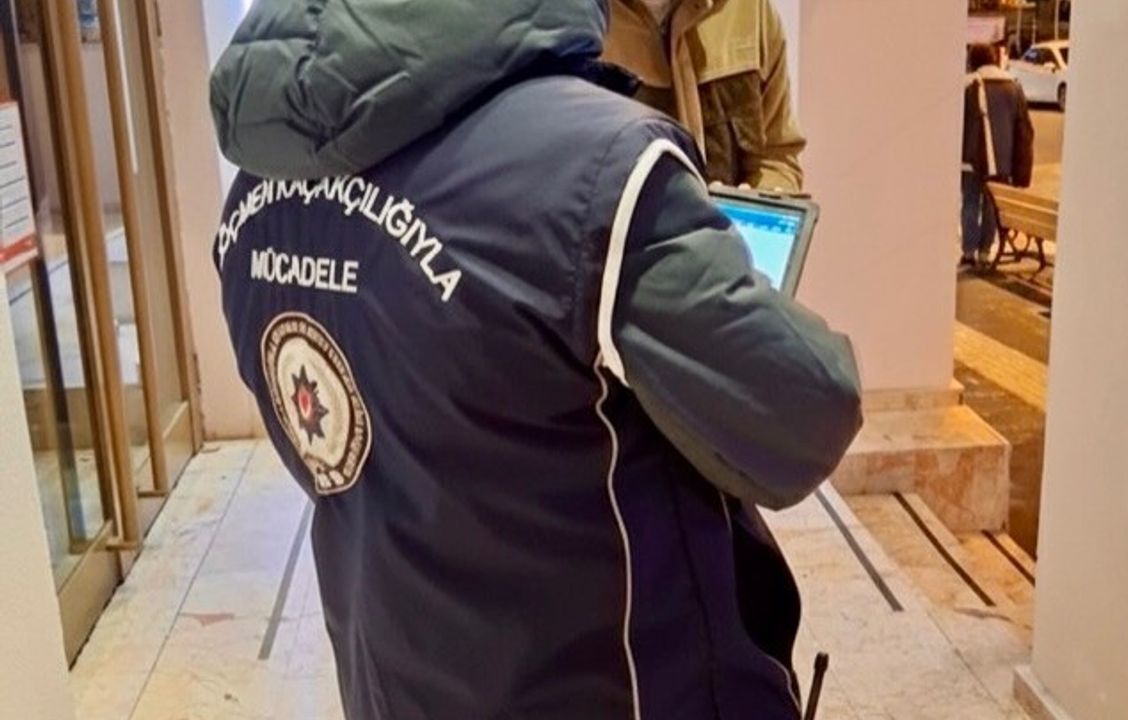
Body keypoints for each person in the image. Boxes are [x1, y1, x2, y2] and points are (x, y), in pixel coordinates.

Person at [209, 2, 861, 719]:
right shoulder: (596, 167)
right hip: (610, 682)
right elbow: (807, 414)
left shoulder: (259, 182)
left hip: (395, 672)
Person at [602, 0, 805, 191]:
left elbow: (776, 157)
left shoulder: (749, 9)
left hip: (730, 217)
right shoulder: (587, 19)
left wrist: (757, 207)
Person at [961, 43, 1035, 267]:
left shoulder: (969, 84)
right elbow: (1024, 129)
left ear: (973, 61)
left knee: (970, 202)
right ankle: (985, 251)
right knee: (992, 206)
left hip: (971, 160)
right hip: (1003, 162)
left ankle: (969, 251)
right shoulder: (1013, 86)